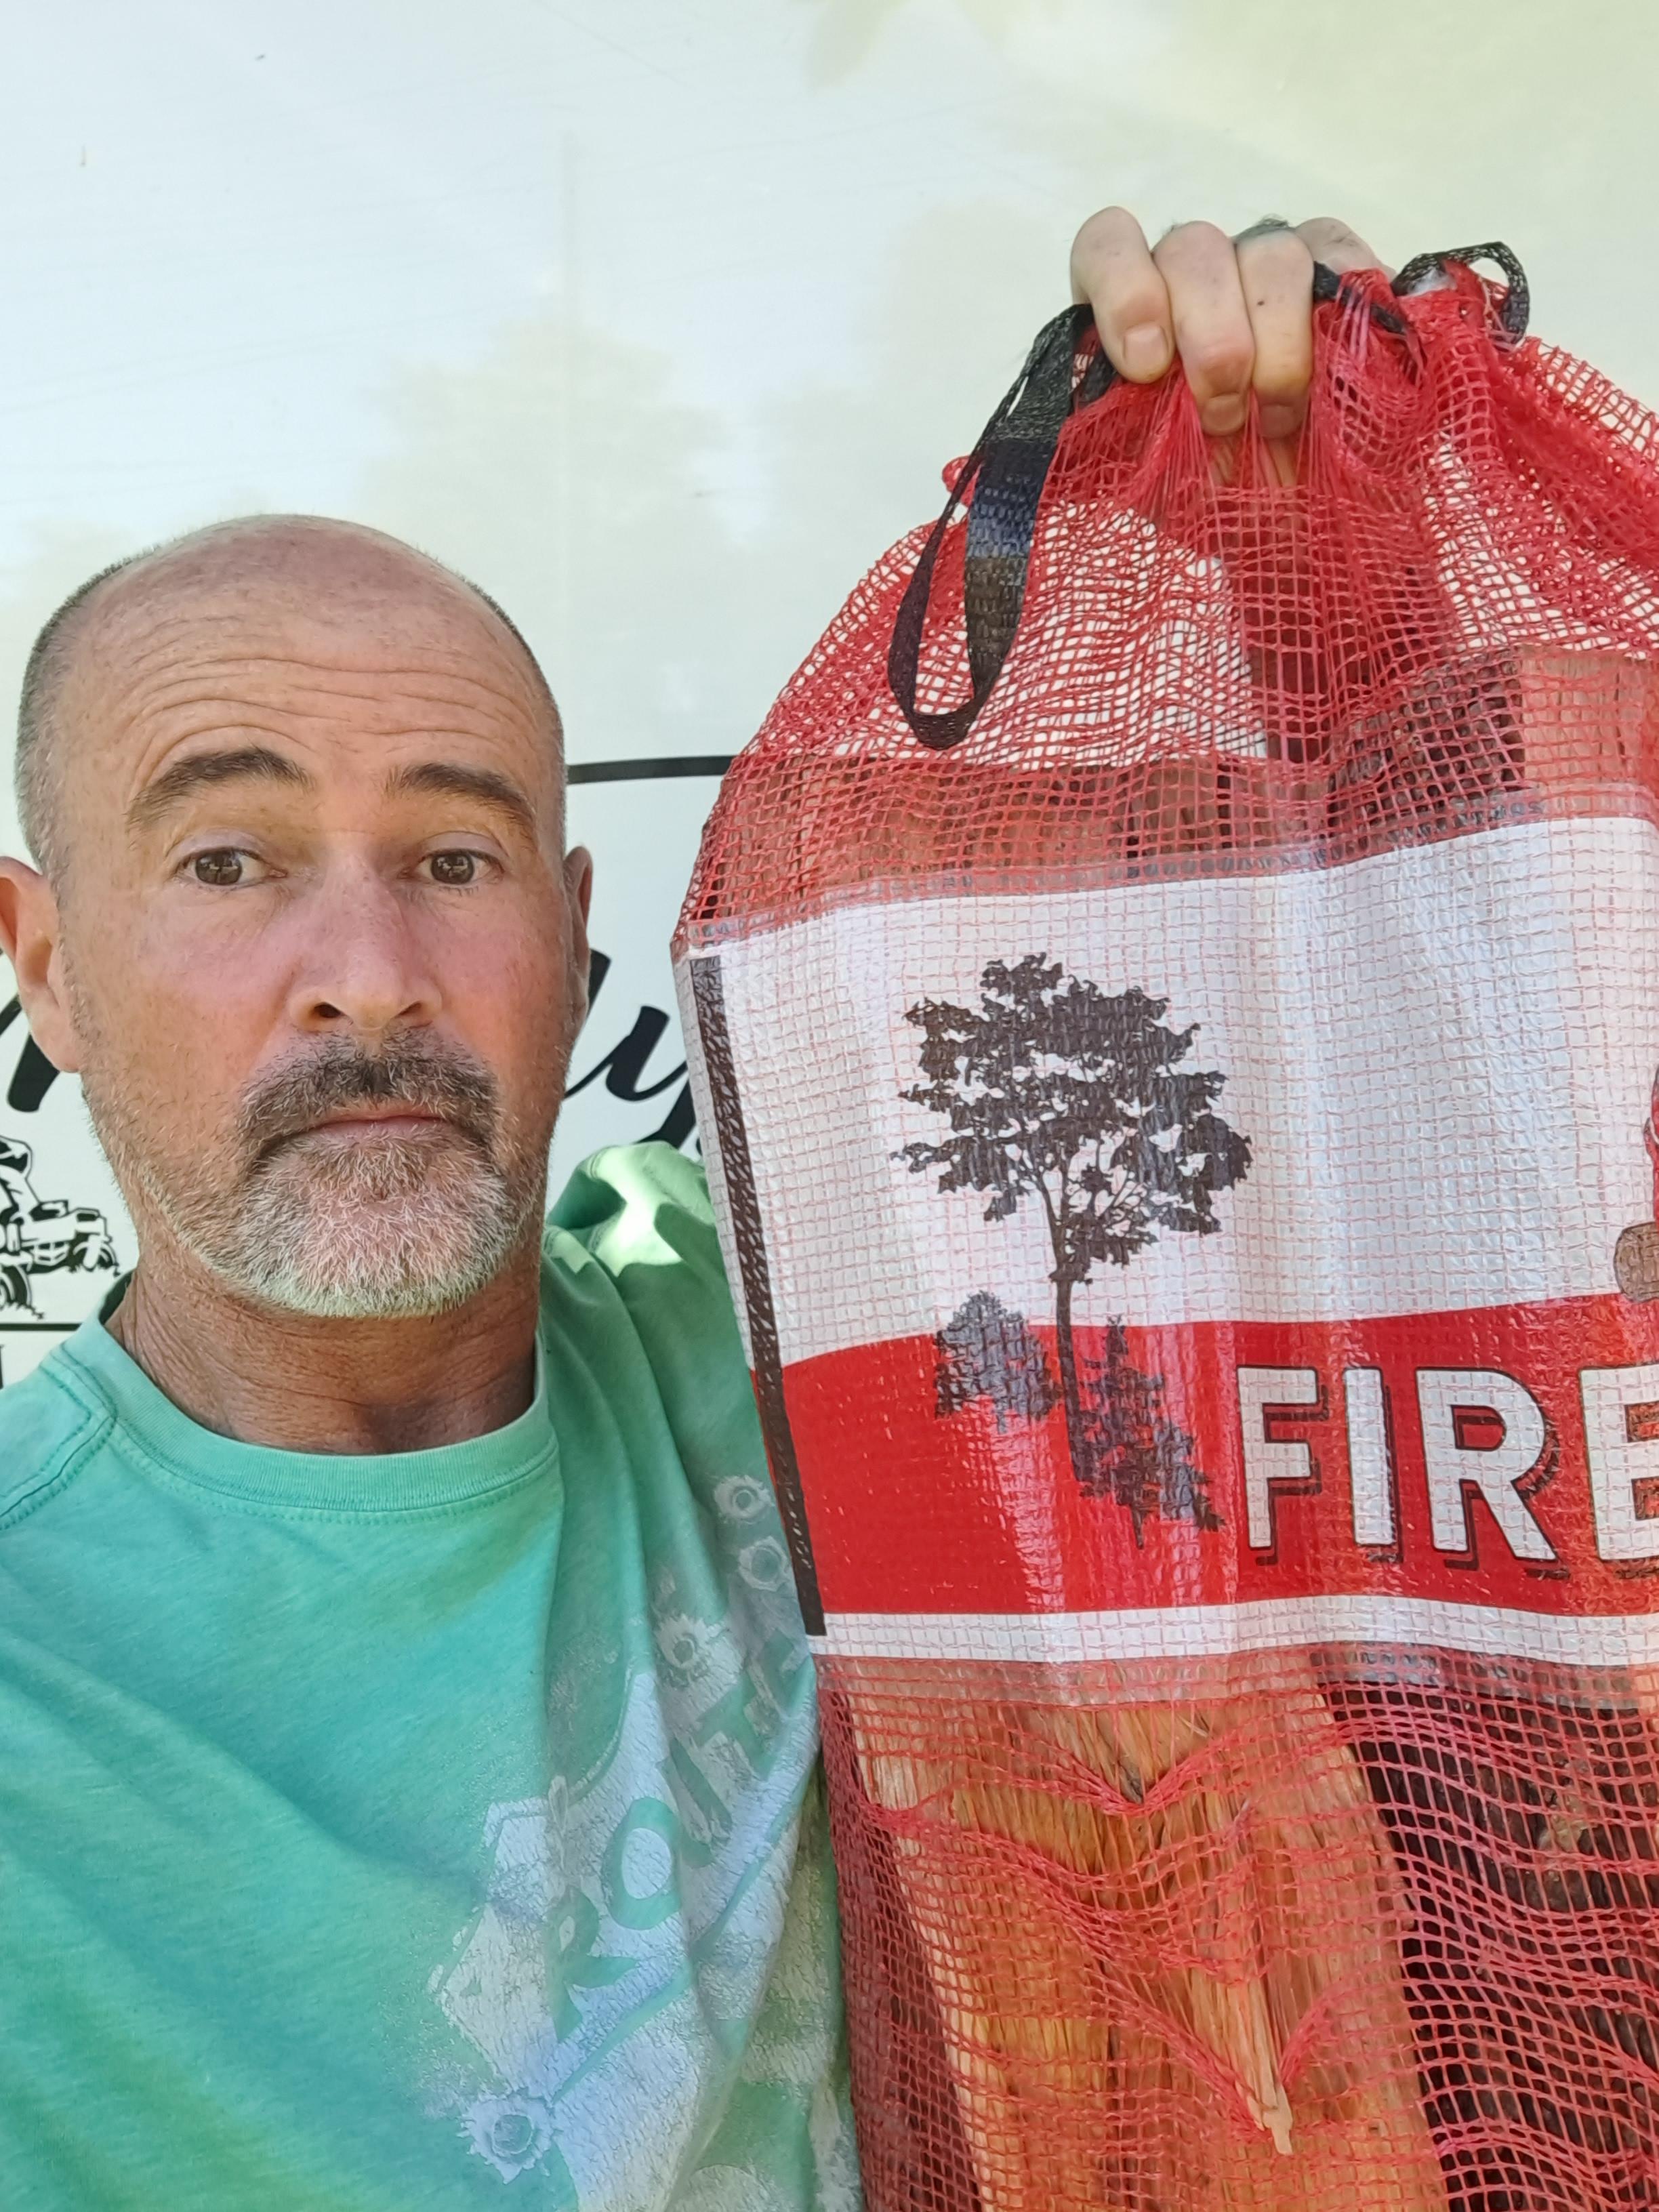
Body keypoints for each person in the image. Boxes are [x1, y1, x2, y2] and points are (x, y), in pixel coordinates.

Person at [0, 210, 1382, 2209]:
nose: (371, 978)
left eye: (456, 859)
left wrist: (1318, 565)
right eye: (229, 860)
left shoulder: (772, 1297)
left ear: (573, 941)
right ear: (46, 966)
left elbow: (1375, 1117)